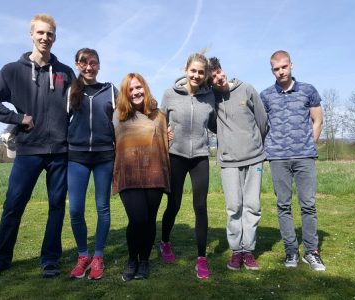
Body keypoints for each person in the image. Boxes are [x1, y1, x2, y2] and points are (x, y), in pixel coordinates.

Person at [0, 14, 75, 277]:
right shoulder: (11, 71)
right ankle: (2, 257)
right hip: (29, 150)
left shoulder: (66, 72)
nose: (45, 38)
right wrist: (17, 118)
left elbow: (77, 107)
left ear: (55, 37)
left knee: (57, 206)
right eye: (40, 33)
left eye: (50, 34)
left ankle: (50, 259)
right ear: (31, 34)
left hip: (60, 153)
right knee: (13, 205)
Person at [260, 50, 325, 271]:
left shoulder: (308, 90)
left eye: (284, 67)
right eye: (276, 69)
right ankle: (291, 251)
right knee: (283, 205)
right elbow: (263, 125)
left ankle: (311, 251)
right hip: (277, 158)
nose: (281, 72)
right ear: (272, 70)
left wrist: (309, 145)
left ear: (291, 66)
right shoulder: (266, 96)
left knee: (308, 204)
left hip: (304, 157)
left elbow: (317, 120)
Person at [160, 52, 216, 280]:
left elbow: (215, 124)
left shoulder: (210, 96)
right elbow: (159, 122)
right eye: (193, 70)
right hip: (176, 155)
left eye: (201, 72)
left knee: (200, 206)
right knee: (173, 203)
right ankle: (164, 242)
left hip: (200, 156)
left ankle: (201, 258)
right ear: (186, 69)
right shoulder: (170, 94)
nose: (196, 75)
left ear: (205, 75)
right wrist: (163, 132)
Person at [208, 57, 267, 271]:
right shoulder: (211, 98)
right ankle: (236, 251)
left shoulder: (247, 89)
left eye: (219, 72)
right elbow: (213, 125)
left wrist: (253, 143)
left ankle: (248, 251)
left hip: (254, 158)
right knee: (234, 207)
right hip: (228, 161)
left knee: (252, 206)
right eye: (212, 77)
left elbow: (262, 121)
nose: (218, 77)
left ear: (223, 70)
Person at [113, 73, 170, 282]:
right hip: (128, 175)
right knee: (137, 219)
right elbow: (113, 144)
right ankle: (132, 259)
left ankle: (144, 261)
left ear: (145, 89)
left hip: (154, 174)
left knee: (149, 221)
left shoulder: (158, 115)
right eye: (131, 89)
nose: (136, 92)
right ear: (125, 93)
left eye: (139, 88)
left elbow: (165, 143)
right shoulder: (117, 115)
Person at [67, 48, 117, 280]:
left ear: (99, 65)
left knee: (102, 208)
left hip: (104, 156)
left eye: (93, 63)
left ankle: (98, 256)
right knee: (75, 209)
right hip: (76, 157)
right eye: (83, 63)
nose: (88, 67)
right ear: (77, 65)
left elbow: (125, 119)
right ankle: (83, 255)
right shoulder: (69, 91)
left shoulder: (111, 91)